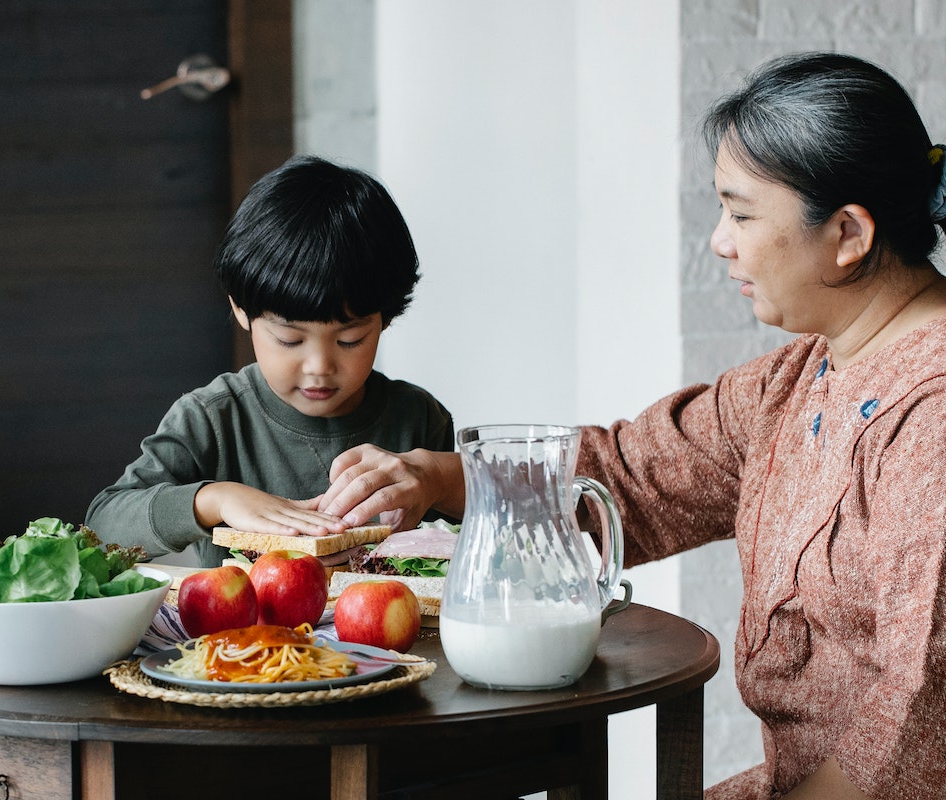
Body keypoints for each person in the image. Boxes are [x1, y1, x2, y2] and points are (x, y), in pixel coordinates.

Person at [316, 52, 946, 799]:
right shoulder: (799, 378)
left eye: (741, 213)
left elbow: (920, 719)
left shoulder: (931, 419)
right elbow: (633, 478)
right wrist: (440, 478)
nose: (720, 240)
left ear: (847, 233)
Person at [86, 155, 455, 567]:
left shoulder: (418, 418)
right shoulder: (213, 419)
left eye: (350, 339)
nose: (318, 365)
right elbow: (102, 526)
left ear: (386, 319)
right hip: (245, 632)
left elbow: (483, 536)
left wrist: (437, 476)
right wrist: (214, 499)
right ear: (241, 310)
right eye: (289, 339)